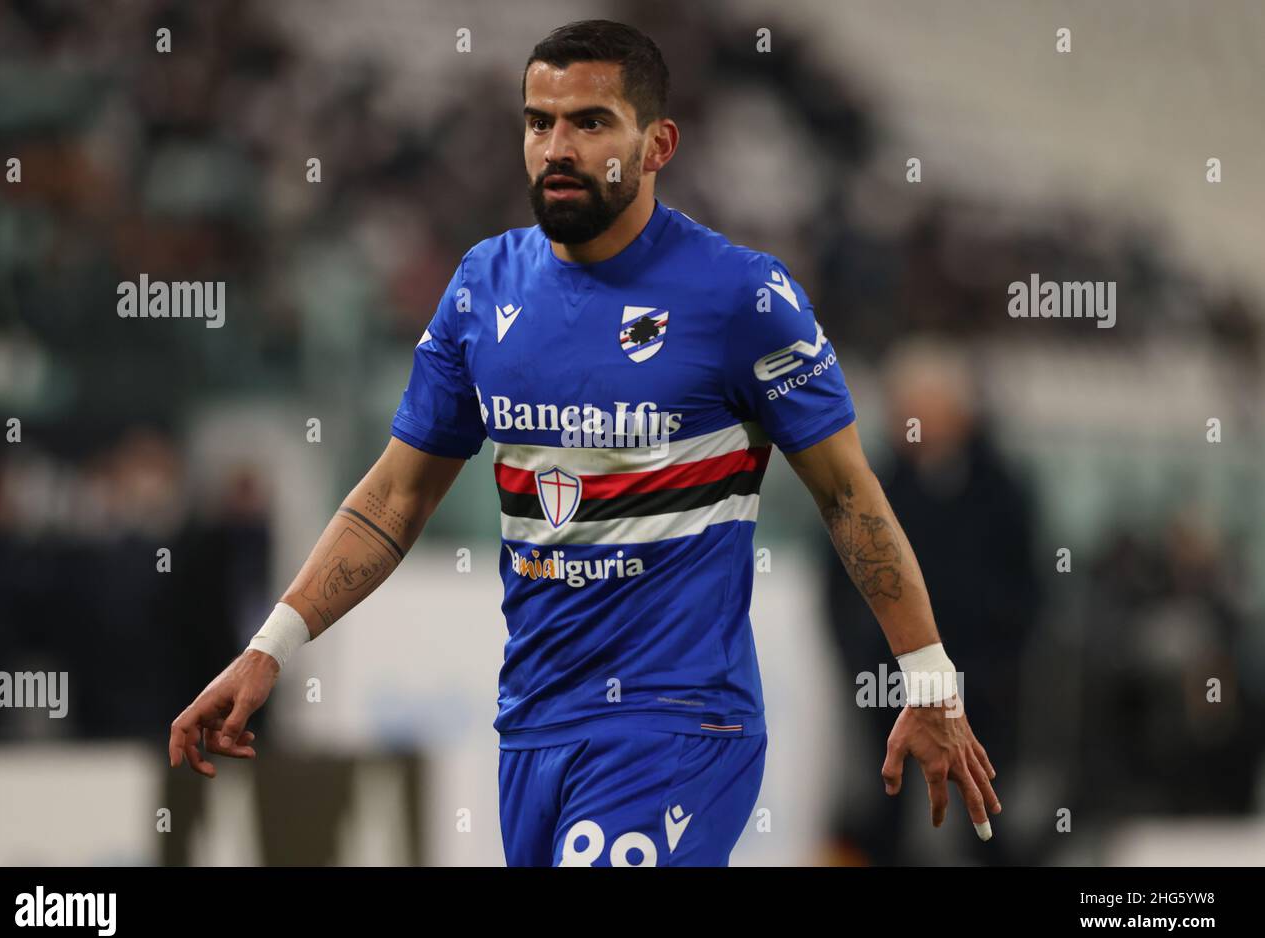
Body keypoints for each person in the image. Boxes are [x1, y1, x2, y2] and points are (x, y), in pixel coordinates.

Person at [168, 19, 1000, 867]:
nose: (557, 147)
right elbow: (396, 495)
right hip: (534, 725)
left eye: (591, 122)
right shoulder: (482, 290)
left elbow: (848, 493)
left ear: (658, 142)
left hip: (677, 724)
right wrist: (271, 647)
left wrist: (928, 678)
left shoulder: (742, 298)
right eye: (539, 122)